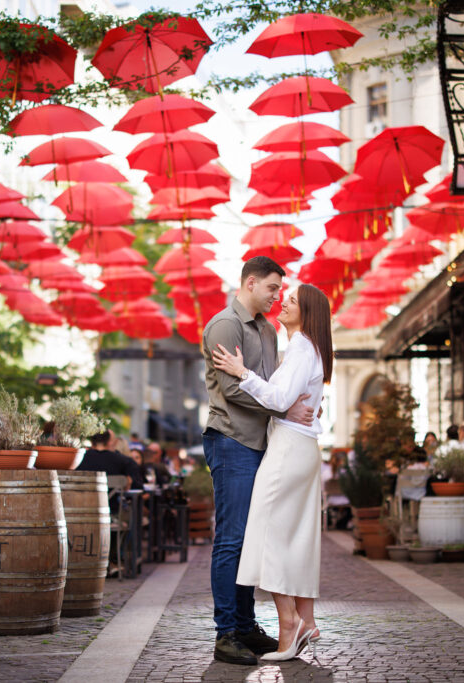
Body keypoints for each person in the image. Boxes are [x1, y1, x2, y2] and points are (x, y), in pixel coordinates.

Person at [201, 255, 314, 666]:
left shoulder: (268, 330)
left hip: (261, 444)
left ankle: (246, 627)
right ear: (250, 283)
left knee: (251, 541)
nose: (276, 297)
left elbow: (269, 385)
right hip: (231, 441)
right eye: (271, 288)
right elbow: (234, 389)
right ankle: (226, 632)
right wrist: (283, 410)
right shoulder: (225, 326)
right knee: (231, 538)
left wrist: (285, 404)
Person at [77, 429, 145, 490]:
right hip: (113, 503)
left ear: (91, 442)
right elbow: (138, 486)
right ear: (109, 442)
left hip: (82, 502)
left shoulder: (79, 459)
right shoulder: (124, 461)